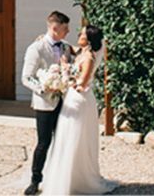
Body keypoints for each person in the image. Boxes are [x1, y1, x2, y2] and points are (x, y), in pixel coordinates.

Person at [40, 25, 117, 196]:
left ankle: (78, 180)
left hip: (80, 100)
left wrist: (64, 78)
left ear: (88, 39)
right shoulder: (81, 52)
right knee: (66, 137)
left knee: (75, 138)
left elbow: (83, 82)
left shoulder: (89, 57)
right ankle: (65, 177)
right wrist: (46, 39)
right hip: (72, 99)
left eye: (81, 33)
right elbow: (67, 46)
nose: (78, 34)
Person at [21, 11, 73, 196]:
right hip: (44, 103)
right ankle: (35, 180)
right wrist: (45, 88)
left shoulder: (66, 48)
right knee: (44, 142)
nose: (68, 31)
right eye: (65, 28)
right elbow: (26, 78)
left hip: (65, 102)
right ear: (54, 28)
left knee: (63, 141)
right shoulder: (36, 48)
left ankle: (59, 179)